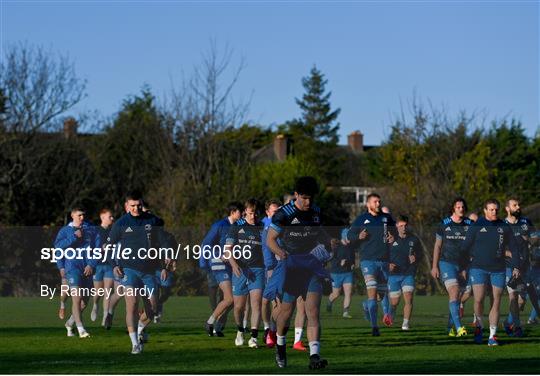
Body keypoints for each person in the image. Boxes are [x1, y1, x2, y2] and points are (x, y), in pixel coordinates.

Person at [266, 176, 331, 369]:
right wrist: (281, 253)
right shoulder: (283, 214)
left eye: (311, 198)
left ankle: (314, 356)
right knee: (286, 311)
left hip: (311, 266)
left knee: (312, 311)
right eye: (304, 198)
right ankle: (280, 344)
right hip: (291, 266)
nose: (308, 202)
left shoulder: (316, 212)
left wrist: (329, 242)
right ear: (295, 195)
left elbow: (320, 233)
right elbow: (270, 240)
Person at [105, 192, 169, 354]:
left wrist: (166, 258)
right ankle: (134, 344)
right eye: (132, 205)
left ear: (142, 204)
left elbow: (162, 241)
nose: (136, 208)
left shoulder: (152, 220)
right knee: (132, 304)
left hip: (150, 271)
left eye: (138, 205)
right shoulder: (121, 223)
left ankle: (140, 329)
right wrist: (114, 265)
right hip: (129, 270)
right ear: (127, 206)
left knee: (152, 308)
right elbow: (108, 247)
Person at [461, 198, 519, 346]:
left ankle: (492, 336)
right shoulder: (476, 225)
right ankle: (479, 326)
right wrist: (462, 266)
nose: (494, 212)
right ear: (485, 211)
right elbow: (465, 246)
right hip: (478, 268)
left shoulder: (504, 226)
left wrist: (516, 266)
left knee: (496, 300)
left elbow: (514, 248)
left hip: (498, 269)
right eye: (491, 209)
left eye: (496, 210)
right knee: (479, 299)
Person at [347, 193, 395, 336]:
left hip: (384, 261)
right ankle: (375, 327)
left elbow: (395, 235)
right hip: (368, 261)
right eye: (375, 202)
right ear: (368, 204)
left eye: (379, 201)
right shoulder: (362, 219)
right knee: (372, 294)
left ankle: (366, 306)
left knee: (380, 296)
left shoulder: (386, 219)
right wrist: (358, 237)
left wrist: (393, 237)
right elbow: (350, 236)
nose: (378, 204)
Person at [54, 207, 100, 338]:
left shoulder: (91, 230)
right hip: (72, 268)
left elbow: (97, 250)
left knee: (84, 302)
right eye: (79, 215)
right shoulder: (65, 231)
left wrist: (91, 264)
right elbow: (58, 247)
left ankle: (70, 323)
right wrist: (74, 237)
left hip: (88, 269)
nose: (82, 217)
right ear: (72, 215)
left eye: (83, 215)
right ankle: (81, 330)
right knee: (76, 298)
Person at [226, 199, 266, 348]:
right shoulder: (236, 226)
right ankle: (240, 331)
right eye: (250, 213)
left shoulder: (262, 227)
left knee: (256, 303)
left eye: (255, 213)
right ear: (244, 213)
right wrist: (234, 264)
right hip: (240, 270)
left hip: (258, 269)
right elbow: (228, 250)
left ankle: (253, 337)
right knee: (238, 308)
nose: (253, 216)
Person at [431, 198, 472, 337]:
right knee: (454, 292)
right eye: (458, 207)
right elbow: (437, 245)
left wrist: (466, 267)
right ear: (453, 209)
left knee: (459, 296)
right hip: (446, 263)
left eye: (463, 207)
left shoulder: (470, 224)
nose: (461, 209)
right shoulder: (444, 224)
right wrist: (434, 266)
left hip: (463, 265)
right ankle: (460, 328)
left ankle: (450, 327)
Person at [203, 202, 244, 337]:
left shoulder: (240, 226)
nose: (243, 213)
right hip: (218, 264)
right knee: (230, 299)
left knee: (233, 300)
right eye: (240, 211)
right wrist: (219, 255)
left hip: (232, 265)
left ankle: (218, 327)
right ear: (233, 212)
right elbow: (207, 243)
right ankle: (210, 322)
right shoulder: (219, 225)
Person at [503, 198, 535, 337]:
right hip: (509, 266)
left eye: (518, 204)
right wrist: (509, 253)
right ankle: (517, 327)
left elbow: (535, 238)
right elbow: (497, 246)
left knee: (522, 301)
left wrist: (528, 239)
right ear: (507, 208)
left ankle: (508, 322)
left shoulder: (526, 222)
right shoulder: (501, 225)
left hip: (525, 267)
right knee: (513, 297)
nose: (518, 207)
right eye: (514, 205)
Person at [387, 215, 421, 330]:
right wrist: (388, 264)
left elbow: (420, 255)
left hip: (408, 273)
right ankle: (392, 311)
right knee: (395, 302)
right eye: (401, 225)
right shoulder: (391, 239)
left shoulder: (414, 240)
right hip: (394, 275)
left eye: (405, 225)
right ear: (397, 226)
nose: (403, 228)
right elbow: (383, 255)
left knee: (408, 297)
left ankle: (405, 324)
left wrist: (416, 257)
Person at [261, 199, 281, 346]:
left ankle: (273, 332)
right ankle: (270, 331)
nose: (276, 214)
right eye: (274, 211)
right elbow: (267, 251)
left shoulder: (283, 227)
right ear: (268, 213)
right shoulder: (266, 229)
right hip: (272, 269)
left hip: (286, 267)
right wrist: (271, 269)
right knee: (275, 302)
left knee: (284, 304)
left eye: (278, 211)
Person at [90, 208, 115, 327]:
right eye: (110, 216)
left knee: (108, 292)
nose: (112, 218)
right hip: (98, 264)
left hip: (110, 265)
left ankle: (105, 316)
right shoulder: (95, 230)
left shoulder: (113, 231)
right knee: (98, 291)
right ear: (102, 217)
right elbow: (90, 247)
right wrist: (100, 249)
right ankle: (95, 305)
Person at [326, 228, 355, 319]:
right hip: (336, 273)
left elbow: (352, 258)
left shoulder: (351, 247)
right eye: (348, 237)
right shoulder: (336, 247)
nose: (350, 239)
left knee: (348, 293)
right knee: (336, 294)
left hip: (347, 273)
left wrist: (352, 264)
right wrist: (340, 262)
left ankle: (345, 312)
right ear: (344, 236)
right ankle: (329, 302)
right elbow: (331, 260)